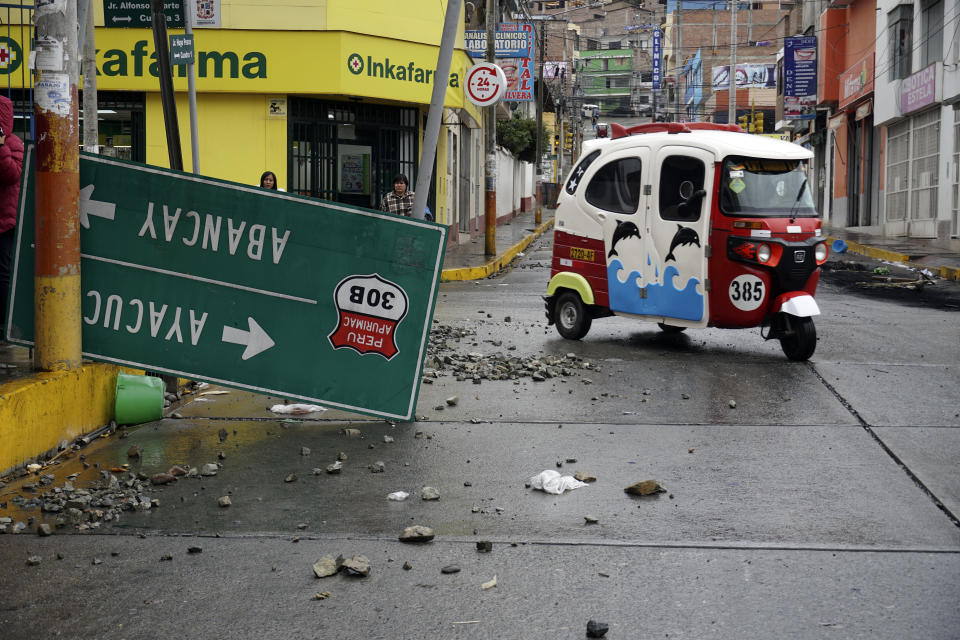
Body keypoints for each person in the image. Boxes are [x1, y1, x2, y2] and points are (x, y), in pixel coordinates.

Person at [0, 95, 24, 341]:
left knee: (4, 273)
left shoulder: (13, 144)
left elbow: (10, 174)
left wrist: (0, 145)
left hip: (6, 223)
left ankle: (5, 323)